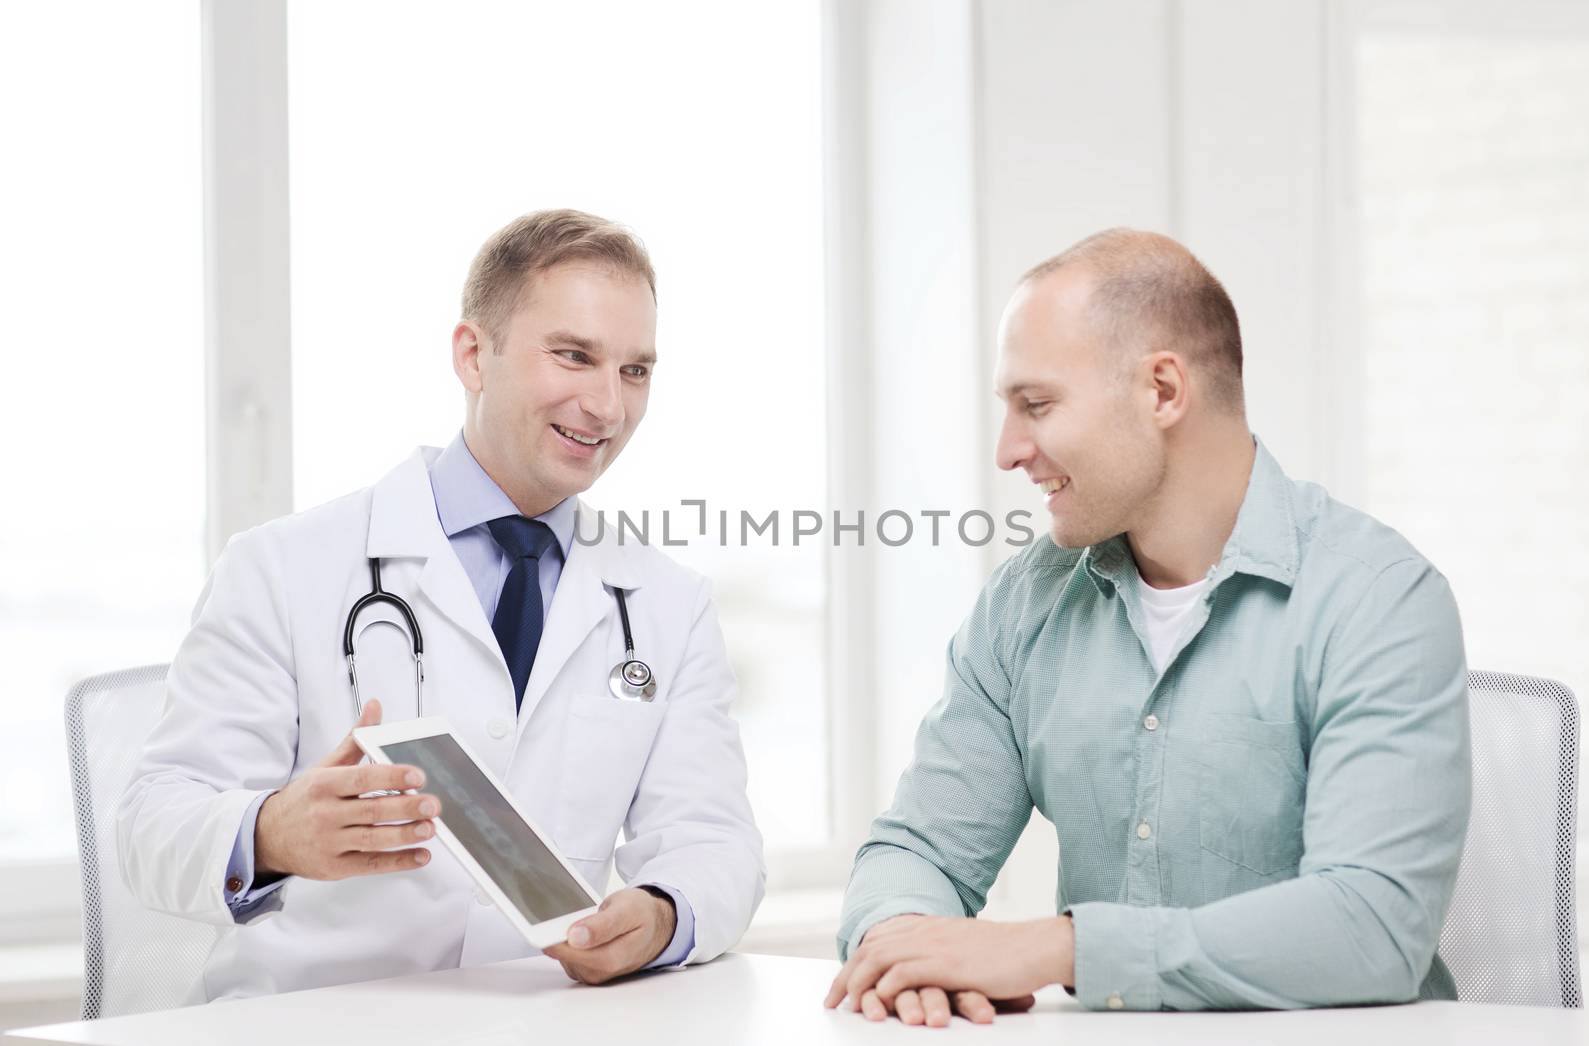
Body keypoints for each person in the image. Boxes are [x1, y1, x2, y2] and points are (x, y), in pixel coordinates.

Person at [825, 228, 1470, 1024]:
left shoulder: (1376, 598)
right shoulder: (1027, 604)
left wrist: (1062, 948)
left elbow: (1373, 926)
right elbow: (916, 850)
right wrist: (907, 947)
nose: (1008, 450)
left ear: (1163, 391)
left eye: (1037, 405)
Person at [119, 209, 764, 1000]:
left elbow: (713, 840)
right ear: (473, 355)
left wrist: (664, 915)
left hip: (542, 1021)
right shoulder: (282, 567)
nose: (607, 406)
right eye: (573, 356)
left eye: (636, 371)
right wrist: (272, 832)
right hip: (311, 1023)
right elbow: (151, 825)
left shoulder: (668, 604)